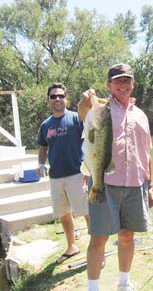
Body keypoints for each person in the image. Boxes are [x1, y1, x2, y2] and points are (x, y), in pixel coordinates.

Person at [78, 63, 153, 291]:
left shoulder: (141, 115)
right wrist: (85, 101)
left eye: (127, 80)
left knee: (127, 235)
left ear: (132, 84)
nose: (123, 84)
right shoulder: (100, 108)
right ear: (109, 85)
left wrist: (150, 185)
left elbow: (147, 152)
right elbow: (84, 113)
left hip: (135, 185)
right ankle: (94, 288)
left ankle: (123, 283)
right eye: (118, 80)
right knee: (99, 237)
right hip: (105, 184)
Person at [36, 83, 89, 264]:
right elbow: (43, 147)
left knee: (86, 211)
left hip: (77, 174)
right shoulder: (45, 125)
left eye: (60, 96)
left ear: (66, 98)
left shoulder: (77, 119)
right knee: (63, 213)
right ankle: (71, 246)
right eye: (53, 96)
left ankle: (95, 247)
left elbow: (93, 138)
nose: (57, 99)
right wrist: (41, 164)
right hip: (55, 177)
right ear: (48, 100)